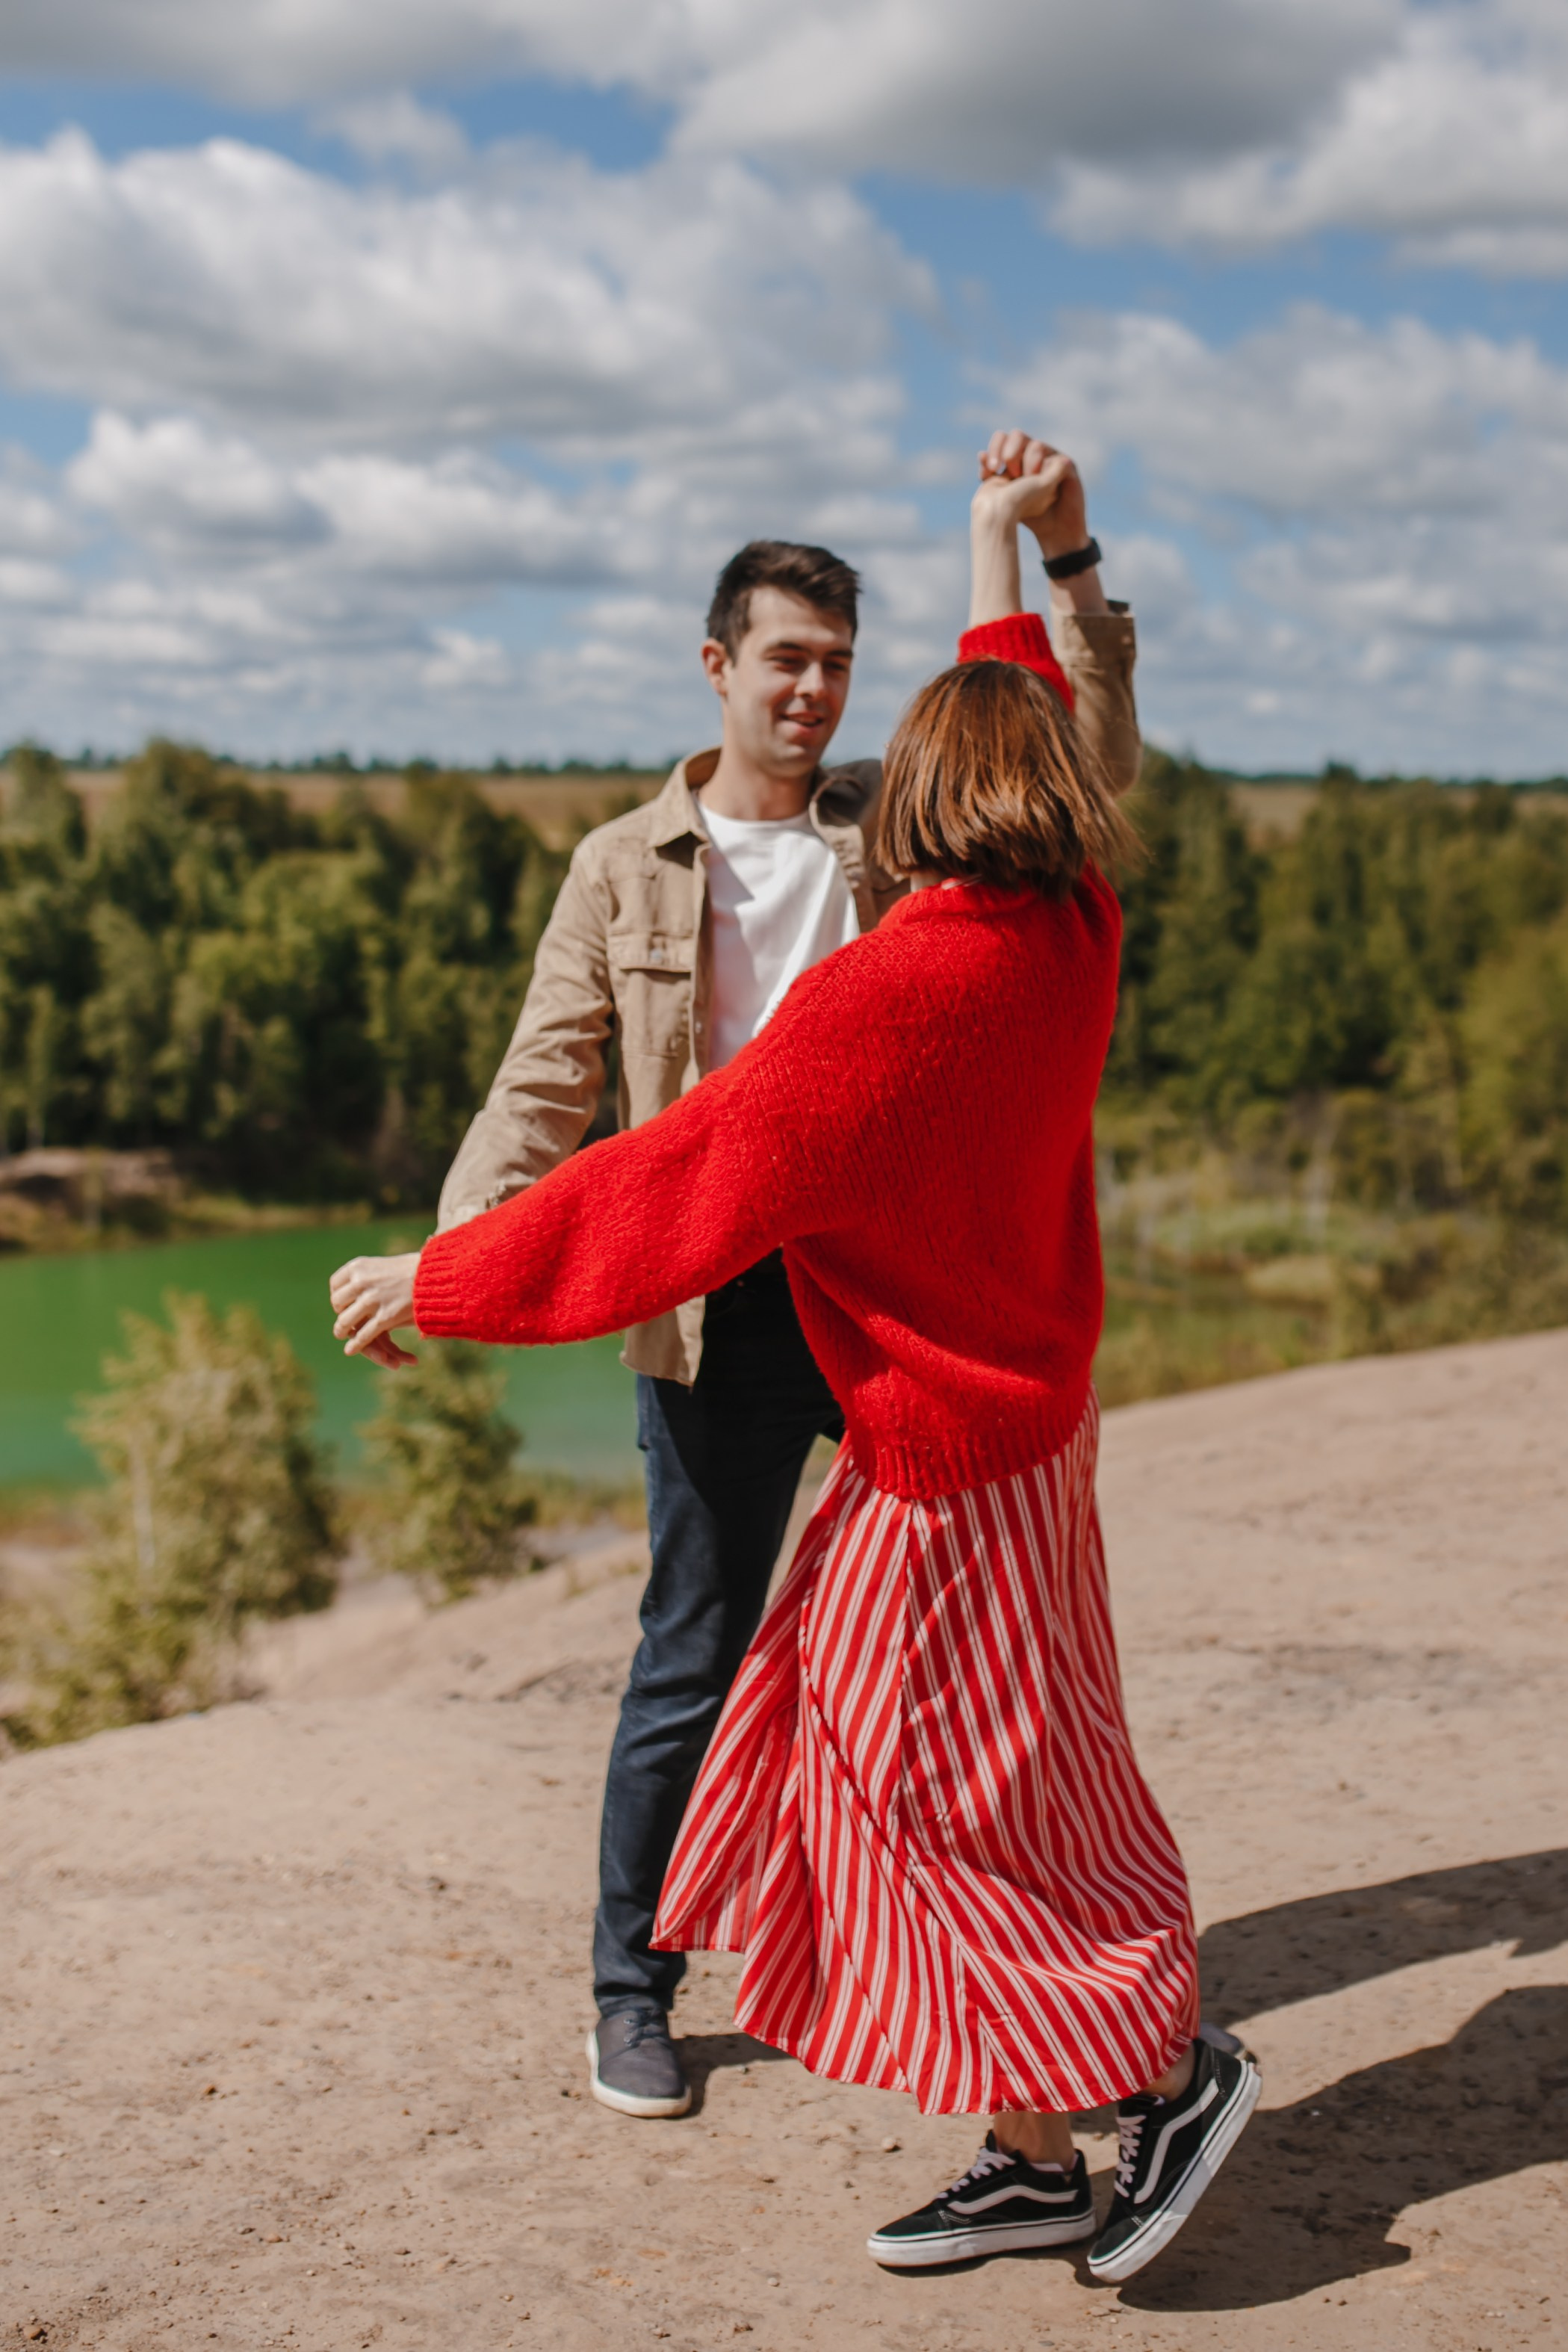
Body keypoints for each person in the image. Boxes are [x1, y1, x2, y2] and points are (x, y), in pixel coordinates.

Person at [328, 448, 1260, 2284]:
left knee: (904, 1780)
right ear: (719, 665)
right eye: (787, 658)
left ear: (907, 774)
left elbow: (678, 1173)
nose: (820, 695)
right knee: (983, 1758)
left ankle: (1161, 2073)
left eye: (853, 676)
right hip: (998, 1391)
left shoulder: (889, 995)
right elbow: (564, 1088)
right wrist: (998, 542)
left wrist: (444, 1282)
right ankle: (1026, 2140)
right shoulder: (1068, 912)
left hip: (925, 1418)